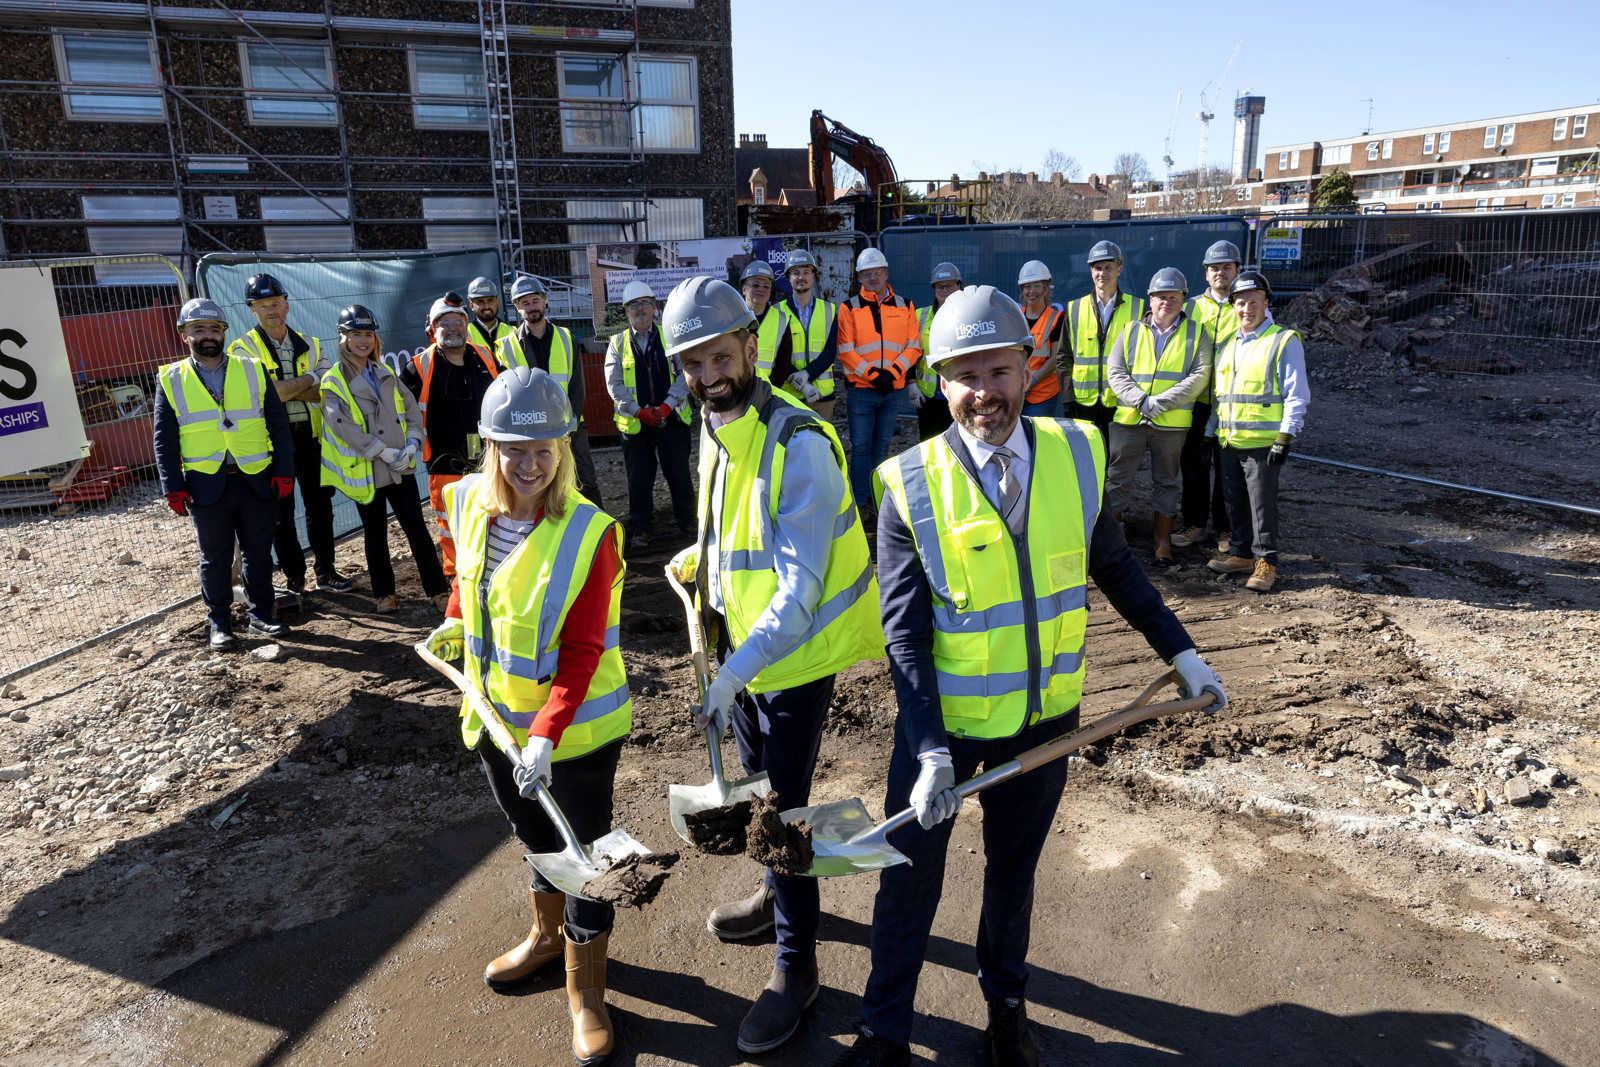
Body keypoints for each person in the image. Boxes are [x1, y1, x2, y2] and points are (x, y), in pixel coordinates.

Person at [838, 285, 1227, 1067]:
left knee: (1013, 876)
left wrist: (1181, 653)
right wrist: (928, 750)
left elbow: (1114, 565)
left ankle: (1006, 1011)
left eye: (999, 370)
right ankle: (884, 1031)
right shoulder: (909, 482)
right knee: (908, 879)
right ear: (939, 382)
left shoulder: (1077, 452)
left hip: (1046, 720)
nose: (984, 392)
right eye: (965, 376)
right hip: (944, 730)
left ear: (1029, 366)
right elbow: (904, 634)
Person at [659, 277, 883, 1054]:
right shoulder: (717, 422)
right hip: (745, 656)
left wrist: (727, 676)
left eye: (720, 356)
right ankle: (772, 891)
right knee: (757, 791)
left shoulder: (800, 443)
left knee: (781, 814)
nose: (708, 375)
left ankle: (798, 966)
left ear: (751, 346)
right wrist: (702, 561)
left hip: (791, 661)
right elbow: (736, 528)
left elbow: (799, 590)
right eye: (692, 364)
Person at [422, 367, 631, 1066]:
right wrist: (453, 625)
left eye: (545, 449)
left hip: (575, 734)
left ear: (564, 448)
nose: (531, 464)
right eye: (515, 448)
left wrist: (545, 735)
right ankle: (547, 938)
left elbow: (583, 649)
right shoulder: (467, 503)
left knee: (584, 857)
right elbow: (468, 584)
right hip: (496, 723)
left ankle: (586, 990)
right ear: (491, 446)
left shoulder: (589, 533)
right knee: (534, 834)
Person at [153, 298, 293, 651]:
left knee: (258, 553)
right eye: (198, 329)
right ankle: (219, 623)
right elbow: (164, 439)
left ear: (223, 333)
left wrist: (283, 471)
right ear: (185, 335)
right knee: (214, 558)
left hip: (255, 477)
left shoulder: (252, 368)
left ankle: (262, 615)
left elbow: (278, 424)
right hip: (205, 483)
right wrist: (172, 486)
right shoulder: (171, 378)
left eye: (214, 329)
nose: (208, 335)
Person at [227, 272, 355, 601]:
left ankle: (326, 573)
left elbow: (326, 392)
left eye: (276, 303)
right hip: (271, 444)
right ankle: (294, 578)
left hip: (310, 438)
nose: (271, 310)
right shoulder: (241, 349)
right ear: (252, 310)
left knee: (320, 507)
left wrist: (287, 388)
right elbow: (264, 395)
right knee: (280, 514)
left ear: (286, 305)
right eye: (263, 305)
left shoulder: (311, 343)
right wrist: (309, 378)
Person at [319, 304, 450, 614]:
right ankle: (384, 594)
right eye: (355, 334)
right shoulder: (333, 380)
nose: (363, 340)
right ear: (342, 338)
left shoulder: (384, 371)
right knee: (375, 534)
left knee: (417, 529)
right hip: (367, 471)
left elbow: (411, 408)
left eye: (368, 334)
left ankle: (437, 590)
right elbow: (342, 427)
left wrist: (413, 442)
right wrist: (381, 451)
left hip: (400, 466)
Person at [1206, 271, 1311, 594]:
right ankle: (1240, 553)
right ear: (1233, 307)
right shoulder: (1228, 344)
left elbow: (1297, 395)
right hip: (1229, 439)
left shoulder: (1283, 341)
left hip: (1263, 443)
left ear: (1266, 303)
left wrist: (1285, 437)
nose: (1246, 309)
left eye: (1253, 302)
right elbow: (1221, 395)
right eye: (1240, 303)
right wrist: (1211, 431)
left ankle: (1266, 562)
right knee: (1234, 501)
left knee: (1262, 507)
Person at [1105, 268, 1214, 568]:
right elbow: (1115, 371)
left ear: (1182, 299)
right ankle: (1110, 542)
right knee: (1117, 480)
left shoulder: (1197, 333)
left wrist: (1161, 403)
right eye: (1160, 296)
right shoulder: (1129, 330)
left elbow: (1200, 376)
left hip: (1171, 424)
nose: (1166, 302)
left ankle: (1162, 543)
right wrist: (1141, 400)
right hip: (1129, 420)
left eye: (1173, 297)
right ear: (1150, 299)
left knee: (1167, 482)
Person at [399, 298, 499, 579]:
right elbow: (400, 412)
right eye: (445, 323)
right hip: (444, 462)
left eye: (459, 322)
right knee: (450, 524)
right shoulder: (418, 367)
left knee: (492, 516)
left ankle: (491, 571)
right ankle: (457, 578)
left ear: (467, 326)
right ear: (432, 329)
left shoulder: (485, 357)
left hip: (488, 459)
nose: (454, 328)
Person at [604, 279, 695, 552]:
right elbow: (614, 385)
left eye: (645, 303)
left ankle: (688, 523)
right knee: (639, 481)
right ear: (626, 311)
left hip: (671, 419)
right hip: (636, 425)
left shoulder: (671, 338)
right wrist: (638, 412)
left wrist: (667, 405)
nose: (640, 308)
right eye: (634, 304)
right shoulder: (617, 343)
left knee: (679, 475)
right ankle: (642, 528)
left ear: (654, 307)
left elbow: (686, 373)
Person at [500, 275, 604, 506]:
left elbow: (577, 386)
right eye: (525, 303)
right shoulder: (507, 346)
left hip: (570, 427)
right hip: (532, 431)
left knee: (585, 482)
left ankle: (599, 525)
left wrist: (569, 424)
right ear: (517, 307)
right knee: (544, 487)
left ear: (544, 301)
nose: (532, 307)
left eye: (535, 301)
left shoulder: (566, 337)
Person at [838, 246, 921, 523]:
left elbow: (913, 346)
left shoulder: (905, 305)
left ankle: (879, 501)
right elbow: (846, 351)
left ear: (886, 273)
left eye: (877, 272)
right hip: (862, 391)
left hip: (892, 390)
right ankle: (860, 503)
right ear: (859, 277)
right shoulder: (849, 307)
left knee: (882, 446)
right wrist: (875, 375)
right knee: (861, 447)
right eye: (867, 273)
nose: (873, 278)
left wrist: (893, 373)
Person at [1176, 240, 1242, 552]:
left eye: (1226, 267)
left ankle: (1225, 530)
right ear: (1206, 273)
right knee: (1193, 466)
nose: (1220, 273)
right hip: (1196, 402)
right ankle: (1195, 525)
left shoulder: (1244, 305)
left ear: (1237, 270)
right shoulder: (1190, 307)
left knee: (1228, 468)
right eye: (1214, 268)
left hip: (1231, 402)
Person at [1064, 240, 1145, 439]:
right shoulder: (1075, 308)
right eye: (1098, 268)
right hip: (1083, 402)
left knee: (1115, 456)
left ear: (1119, 269)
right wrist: (1068, 398)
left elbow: (1145, 358)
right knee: (1087, 454)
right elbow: (1064, 357)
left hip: (1121, 401)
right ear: (1091, 271)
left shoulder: (1138, 308)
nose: (1102, 273)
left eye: (1108, 267)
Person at [777, 249, 839, 421]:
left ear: (813, 276)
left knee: (821, 438)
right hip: (790, 397)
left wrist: (807, 374)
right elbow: (776, 355)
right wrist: (803, 386)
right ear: (789, 278)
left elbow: (830, 351)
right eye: (796, 272)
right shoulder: (777, 313)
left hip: (822, 396)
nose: (801, 277)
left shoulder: (829, 310)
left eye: (806, 272)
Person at [910, 262, 961, 441]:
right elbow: (910, 351)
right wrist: (911, 384)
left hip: (958, 392)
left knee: (957, 443)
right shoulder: (920, 316)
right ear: (934, 289)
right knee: (929, 442)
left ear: (959, 286)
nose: (945, 290)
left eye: (949, 285)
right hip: (928, 395)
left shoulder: (968, 316)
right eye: (940, 287)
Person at [1015, 260, 1066, 418]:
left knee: (1035, 432)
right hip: (1016, 391)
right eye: (1027, 286)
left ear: (1046, 288)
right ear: (1022, 289)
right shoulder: (1016, 317)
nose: (1032, 291)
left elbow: (1056, 358)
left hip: (1042, 394)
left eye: (1037, 286)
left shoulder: (1057, 318)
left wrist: (1031, 381)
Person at [739, 259, 792, 384]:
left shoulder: (781, 320)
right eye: (755, 285)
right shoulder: (730, 317)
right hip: (735, 389)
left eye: (766, 286)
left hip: (767, 389)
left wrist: (767, 390)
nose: (761, 289)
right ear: (744, 289)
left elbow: (783, 364)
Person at [466, 275, 515, 361]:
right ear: (471, 305)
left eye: (490, 300)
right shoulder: (466, 335)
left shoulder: (512, 332)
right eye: (480, 301)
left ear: (497, 302)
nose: (486, 306)